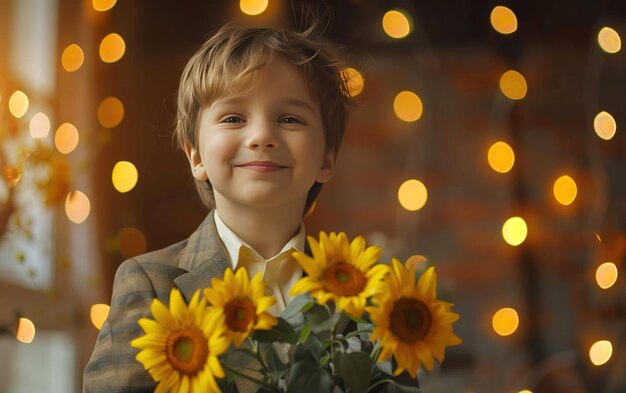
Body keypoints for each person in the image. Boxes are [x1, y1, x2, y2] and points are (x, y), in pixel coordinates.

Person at [83, 22, 353, 393]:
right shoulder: (150, 285)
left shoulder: (365, 297)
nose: (261, 136)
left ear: (327, 157)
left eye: (289, 119)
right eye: (233, 118)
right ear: (195, 155)